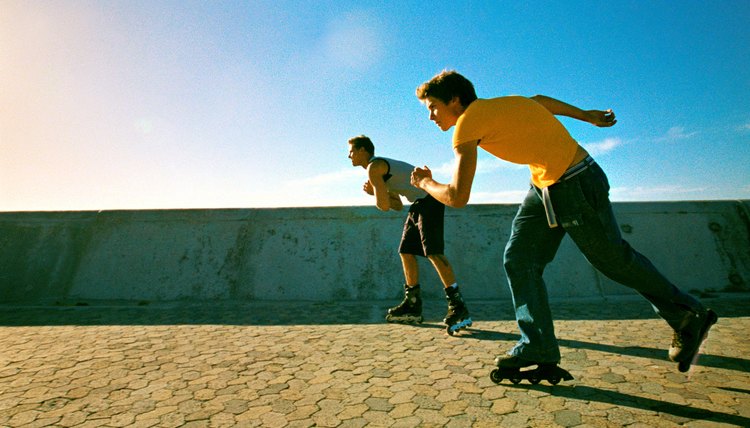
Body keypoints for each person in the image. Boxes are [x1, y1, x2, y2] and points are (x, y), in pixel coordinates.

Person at [410, 70, 717, 374]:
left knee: (613, 259)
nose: (431, 116)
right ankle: (537, 346)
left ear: (454, 99)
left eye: (433, 106)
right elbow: (543, 101)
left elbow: (457, 196)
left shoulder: (466, 124)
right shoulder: (506, 104)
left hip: (574, 181)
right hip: (545, 186)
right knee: (520, 260)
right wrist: (586, 115)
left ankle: (687, 314)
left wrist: (425, 183)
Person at [348, 135, 472, 334]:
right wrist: (382, 191)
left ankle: (458, 306)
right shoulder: (380, 170)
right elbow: (396, 205)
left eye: (352, 151)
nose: (349, 156)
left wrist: (374, 193)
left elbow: (383, 205)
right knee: (406, 251)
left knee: (433, 252)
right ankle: (412, 303)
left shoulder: (374, 167)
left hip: (430, 200)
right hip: (418, 204)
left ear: (363, 151)